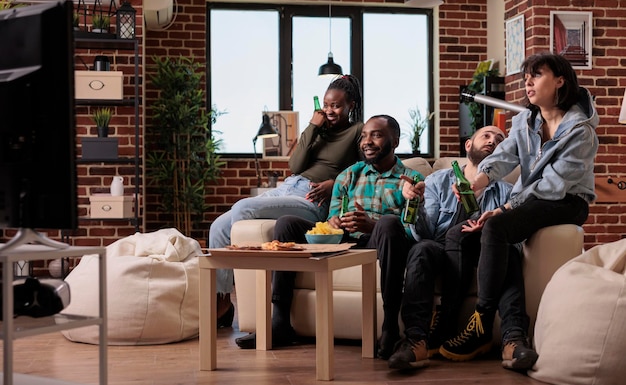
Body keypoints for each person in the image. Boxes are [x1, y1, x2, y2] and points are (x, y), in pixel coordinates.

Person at [439, 53, 598, 369]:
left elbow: (554, 186)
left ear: (560, 81)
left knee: (498, 228)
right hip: (534, 200)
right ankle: (509, 336)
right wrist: (477, 182)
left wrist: (506, 208)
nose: (528, 82)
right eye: (526, 76)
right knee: (486, 236)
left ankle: (481, 321)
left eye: (536, 75)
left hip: (568, 201)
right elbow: (503, 157)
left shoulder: (580, 131)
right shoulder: (526, 122)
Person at [235, 114, 423, 349]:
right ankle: (280, 322)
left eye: (376, 135)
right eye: (364, 136)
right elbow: (332, 215)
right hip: (345, 240)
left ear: (395, 141)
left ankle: (390, 328)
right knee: (286, 224)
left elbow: (414, 231)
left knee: (387, 223)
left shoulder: (412, 179)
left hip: (383, 241)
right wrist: (335, 222)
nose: (367, 141)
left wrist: (372, 225)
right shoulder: (349, 175)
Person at [209, 75, 364, 327]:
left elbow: (365, 173)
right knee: (218, 227)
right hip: (289, 186)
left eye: (336, 106)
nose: (329, 110)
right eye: (326, 105)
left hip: (312, 198)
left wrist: (334, 184)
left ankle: (255, 299)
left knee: (243, 208)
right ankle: (223, 304)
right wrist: (312, 126)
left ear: (351, 105)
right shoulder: (318, 129)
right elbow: (295, 165)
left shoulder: (358, 131)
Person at [383, 125, 510, 369]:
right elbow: (425, 234)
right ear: (468, 145)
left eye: (499, 139)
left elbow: (513, 239)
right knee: (421, 251)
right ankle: (416, 340)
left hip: (481, 254)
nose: (493, 141)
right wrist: (417, 205)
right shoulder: (437, 181)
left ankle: (446, 322)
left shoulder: (506, 192)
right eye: (486, 135)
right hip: (440, 248)